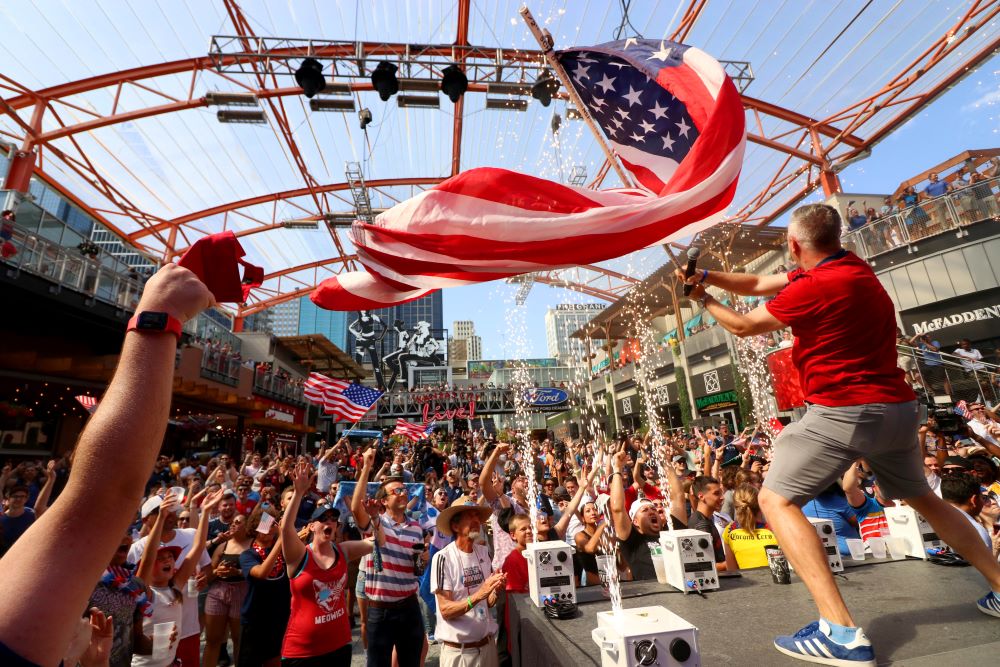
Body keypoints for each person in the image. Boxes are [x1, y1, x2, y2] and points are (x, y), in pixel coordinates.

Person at [677, 202, 1000, 665]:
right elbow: (755, 284)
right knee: (925, 499)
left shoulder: (815, 287)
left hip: (847, 411)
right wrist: (707, 276)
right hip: (897, 410)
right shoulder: (851, 269)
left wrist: (701, 300)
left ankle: (842, 633)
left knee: (774, 500)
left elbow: (746, 325)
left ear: (793, 246)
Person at [280, 461, 383, 664]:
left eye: (333, 519)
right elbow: (285, 529)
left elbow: (378, 541)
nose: (329, 522)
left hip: (339, 646)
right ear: (311, 527)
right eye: (323, 519)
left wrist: (375, 517)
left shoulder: (343, 551)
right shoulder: (300, 556)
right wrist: (299, 493)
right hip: (302, 652)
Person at [352, 447, 425, 667]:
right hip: (380, 611)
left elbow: (417, 569)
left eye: (404, 489)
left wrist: (423, 560)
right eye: (396, 491)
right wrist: (366, 467)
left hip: (410, 608)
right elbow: (356, 508)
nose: (402, 493)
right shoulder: (377, 522)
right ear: (383, 501)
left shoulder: (416, 528)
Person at [430, 497, 505, 667]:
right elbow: (446, 610)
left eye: (477, 516)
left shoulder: (484, 552)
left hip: (487, 647)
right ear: (455, 526)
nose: (476, 520)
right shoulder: (443, 558)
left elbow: (488, 602)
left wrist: (495, 589)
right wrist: (481, 593)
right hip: (460, 654)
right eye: (470, 516)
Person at [609, 445, 687, 581]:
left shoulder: (672, 531)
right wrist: (617, 470)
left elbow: (678, 496)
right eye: (645, 510)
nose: (652, 511)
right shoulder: (633, 542)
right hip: (653, 596)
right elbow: (617, 509)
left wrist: (666, 462)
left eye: (653, 509)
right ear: (635, 522)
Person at [239, 503, 290, 667]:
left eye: (272, 524)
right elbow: (261, 573)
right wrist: (281, 540)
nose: (268, 527)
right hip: (255, 620)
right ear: (255, 528)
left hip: (279, 617)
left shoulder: (284, 551)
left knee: (275, 659)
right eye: (264, 523)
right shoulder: (248, 555)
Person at [203, 512, 251, 667]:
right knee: (212, 639)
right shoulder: (223, 546)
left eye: (238, 522)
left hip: (242, 592)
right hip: (218, 592)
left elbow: (259, 571)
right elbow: (209, 574)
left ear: (247, 525)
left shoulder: (253, 544)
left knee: (239, 640)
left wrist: (237, 572)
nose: (233, 524)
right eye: (232, 523)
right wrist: (217, 572)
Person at [721, 484, 778, 569]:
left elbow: (732, 571)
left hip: (745, 582)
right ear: (759, 504)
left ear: (736, 506)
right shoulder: (774, 529)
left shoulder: (729, 531)